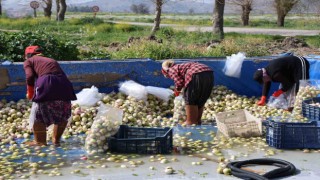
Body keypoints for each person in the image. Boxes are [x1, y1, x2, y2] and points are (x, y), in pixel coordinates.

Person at [23, 45, 77, 146]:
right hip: (65, 85)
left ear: (27, 55)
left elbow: (29, 76)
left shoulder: (29, 61)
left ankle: (40, 142)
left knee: (39, 114)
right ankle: (56, 141)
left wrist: (30, 92)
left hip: (47, 84)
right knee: (62, 112)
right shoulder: (50, 60)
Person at [161, 60, 214, 125]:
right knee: (201, 98)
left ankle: (191, 122)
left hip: (196, 74)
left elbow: (179, 82)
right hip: (209, 73)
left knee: (190, 99)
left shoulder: (170, 70)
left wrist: (177, 91)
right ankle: (197, 120)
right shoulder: (181, 66)